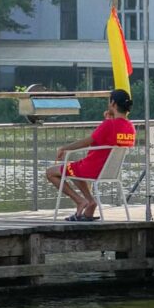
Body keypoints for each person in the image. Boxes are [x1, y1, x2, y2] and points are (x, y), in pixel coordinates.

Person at [45, 88, 136, 221]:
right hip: (109, 171)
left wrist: (64, 148)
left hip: (92, 169)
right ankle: (90, 204)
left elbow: (87, 141)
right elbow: (112, 137)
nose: (108, 105)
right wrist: (109, 119)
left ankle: (80, 201)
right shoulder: (130, 127)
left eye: (109, 102)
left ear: (114, 104)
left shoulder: (109, 125)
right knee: (73, 169)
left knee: (50, 172)